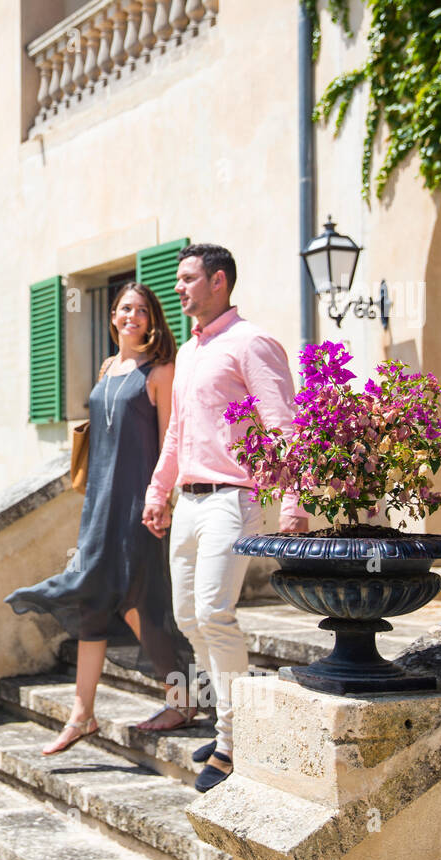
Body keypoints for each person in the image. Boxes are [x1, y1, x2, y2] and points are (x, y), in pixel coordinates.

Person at [141, 243, 308, 793]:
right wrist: (157, 490)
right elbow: (177, 434)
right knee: (188, 619)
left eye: (188, 278)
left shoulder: (251, 343)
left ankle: (234, 742)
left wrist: (293, 501)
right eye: (177, 279)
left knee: (214, 614)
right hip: (187, 501)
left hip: (233, 499)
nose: (178, 288)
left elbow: (284, 425)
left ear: (219, 281)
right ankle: (229, 724)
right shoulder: (188, 353)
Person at [5, 282, 194, 756]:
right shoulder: (109, 367)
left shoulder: (161, 371)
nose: (133, 316)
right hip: (99, 505)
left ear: (153, 320)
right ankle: (81, 714)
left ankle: (183, 696)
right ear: (112, 316)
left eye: (142, 310)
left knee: (138, 603)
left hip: (138, 505)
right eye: (125, 308)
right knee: (94, 599)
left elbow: (171, 439)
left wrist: (162, 500)